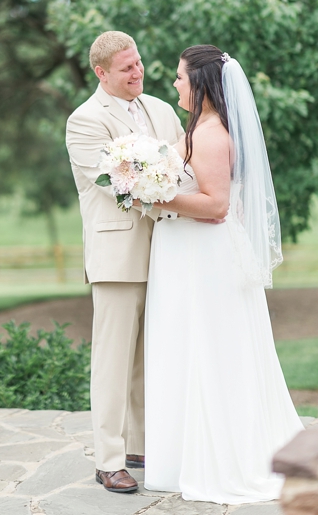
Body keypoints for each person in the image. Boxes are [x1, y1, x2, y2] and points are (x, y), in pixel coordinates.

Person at [142, 44, 303, 504]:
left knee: (207, 348)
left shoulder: (212, 135)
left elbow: (215, 205)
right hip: (189, 252)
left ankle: (218, 455)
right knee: (190, 346)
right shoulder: (202, 128)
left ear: (202, 82)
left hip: (204, 257)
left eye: (179, 76)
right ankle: (182, 453)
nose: (174, 83)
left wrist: (154, 197)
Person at [66, 31, 184, 493]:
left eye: (138, 63)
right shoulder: (84, 120)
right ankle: (109, 459)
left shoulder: (161, 108)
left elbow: (182, 163)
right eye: (126, 68)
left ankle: (139, 444)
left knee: (147, 355)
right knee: (113, 360)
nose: (137, 73)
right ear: (101, 73)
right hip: (117, 252)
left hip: (169, 250)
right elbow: (111, 181)